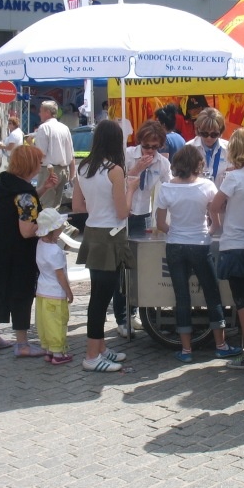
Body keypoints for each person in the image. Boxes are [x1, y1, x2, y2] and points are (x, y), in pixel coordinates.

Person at [156, 145, 242, 363]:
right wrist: (208, 231)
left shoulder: (166, 188)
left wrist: (175, 232)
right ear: (198, 165)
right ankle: (221, 345)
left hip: (175, 245)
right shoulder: (207, 186)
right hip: (200, 244)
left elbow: (160, 224)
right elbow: (215, 220)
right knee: (212, 293)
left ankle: (186, 350)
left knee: (181, 297)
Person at [72, 120, 139, 372]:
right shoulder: (115, 170)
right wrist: (131, 189)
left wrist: (98, 208)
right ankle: (92, 355)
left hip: (93, 233)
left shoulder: (84, 166)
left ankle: (99, 348)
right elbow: (123, 212)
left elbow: (77, 206)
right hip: (111, 235)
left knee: (99, 295)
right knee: (101, 299)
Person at [0, 144, 56, 356]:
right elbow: (26, 230)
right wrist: (50, 224)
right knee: (21, 295)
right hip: (19, 254)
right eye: (38, 163)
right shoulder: (25, 193)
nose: (40, 166)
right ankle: (22, 344)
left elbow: (22, 204)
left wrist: (43, 189)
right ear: (30, 165)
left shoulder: (5, 183)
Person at [209, 128, 244, 370]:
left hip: (235, 244)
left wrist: (217, 224)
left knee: (242, 302)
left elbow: (214, 205)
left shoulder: (234, 178)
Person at [112, 120, 171, 338]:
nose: (150, 151)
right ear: (140, 143)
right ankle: (121, 318)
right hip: (123, 215)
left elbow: (170, 186)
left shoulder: (162, 163)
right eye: (146, 146)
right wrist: (136, 170)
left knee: (139, 268)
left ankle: (134, 313)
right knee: (122, 269)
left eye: (155, 147)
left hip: (143, 216)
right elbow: (116, 184)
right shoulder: (127, 155)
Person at [35, 208, 74, 365]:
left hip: (42, 291)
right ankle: (58, 353)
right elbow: (60, 275)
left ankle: (49, 351)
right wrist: (69, 292)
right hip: (55, 293)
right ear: (53, 230)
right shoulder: (55, 251)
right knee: (57, 322)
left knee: (45, 323)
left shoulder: (40, 244)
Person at [33, 100, 75, 209]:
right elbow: (71, 155)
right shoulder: (64, 128)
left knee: (45, 206)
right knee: (56, 206)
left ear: (47, 112)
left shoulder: (44, 127)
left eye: (41, 111)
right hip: (64, 171)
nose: (39, 114)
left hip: (49, 171)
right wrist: (71, 176)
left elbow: (41, 154)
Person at [187, 107, 231, 188]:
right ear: (198, 130)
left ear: (220, 132)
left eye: (214, 134)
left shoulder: (229, 149)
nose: (209, 138)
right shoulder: (189, 149)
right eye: (204, 134)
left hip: (220, 194)